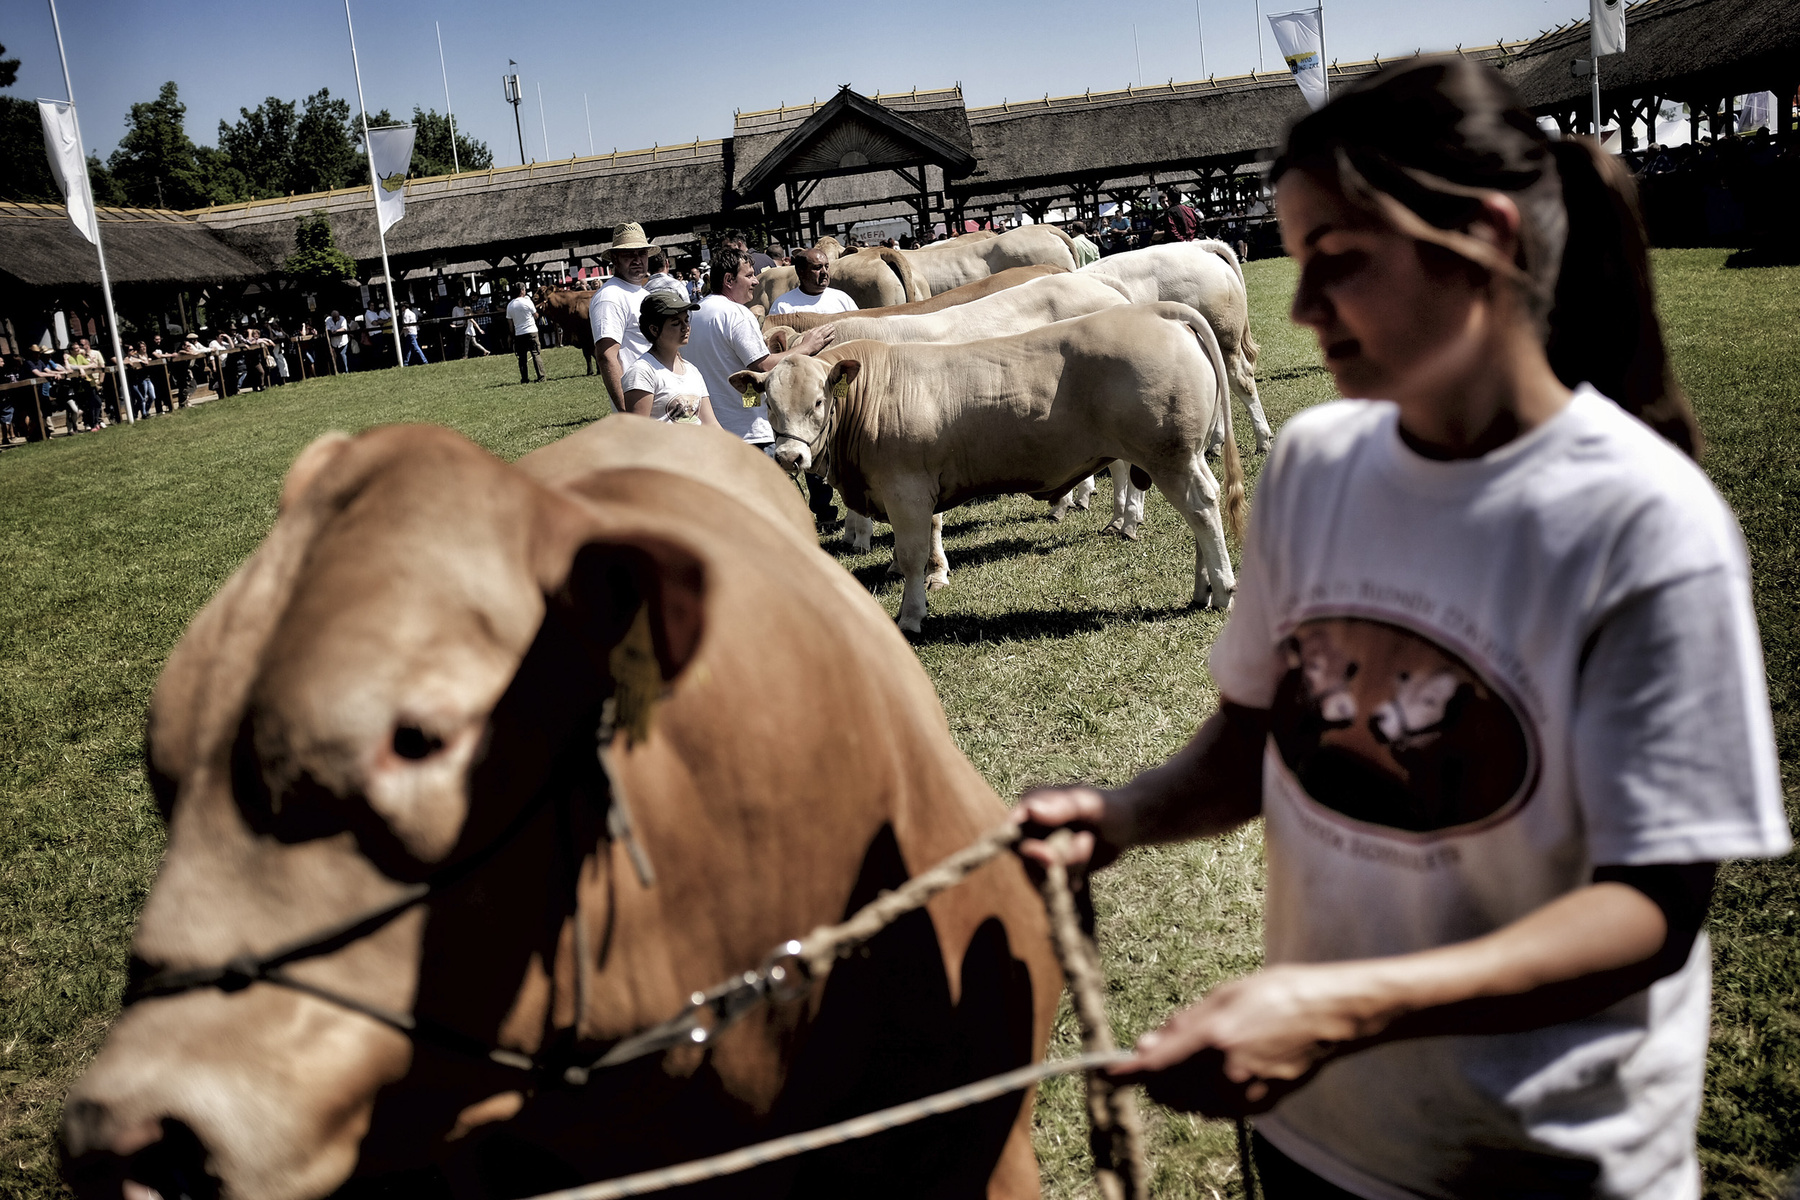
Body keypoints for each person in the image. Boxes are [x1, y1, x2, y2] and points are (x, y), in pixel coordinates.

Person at [1015, 56, 1789, 1199]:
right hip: (1315, 1133)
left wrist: (1339, 1008)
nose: (1301, 304)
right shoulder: (1315, 468)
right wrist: (1121, 815)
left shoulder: (1642, 523)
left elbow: (1651, 912)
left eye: (1338, 258)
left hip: (1536, 1161)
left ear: (1478, 240)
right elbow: (1255, 744)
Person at [686, 246, 838, 521]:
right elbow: (764, 365)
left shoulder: (693, 313)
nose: (756, 281)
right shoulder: (735, 314)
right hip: (750, 428)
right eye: (749, 275)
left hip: (710, 427)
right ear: (729, 280)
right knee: (768, 506)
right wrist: (807, 346)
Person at [620, 290, 718, 427]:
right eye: (676, 323)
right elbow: (637, 432)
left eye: (686, 320)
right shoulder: (642, 372)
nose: (685, 328)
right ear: (654, 329)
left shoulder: (692, 370)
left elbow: (711, 424)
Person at [591, 221, 655, 412]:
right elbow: (606, 356)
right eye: (629, 254)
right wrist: (626, 412)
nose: (637, 259)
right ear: (614, 258)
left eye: (642, 253)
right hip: (638, 402)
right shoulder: (610, 297)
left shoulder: (642, 294)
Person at [769, 248, 859, 315]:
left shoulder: (842, 299)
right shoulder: (782, 306)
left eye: (826, 267)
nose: (824, 272)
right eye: (817, 268)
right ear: (800, 271)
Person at [504, 282, 546, 384]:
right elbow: (536, 315)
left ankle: (524, 378)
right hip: (531, 330)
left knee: (522, 357)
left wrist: (512, 335)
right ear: (522, 291)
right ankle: (541, 376)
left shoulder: (510, 305)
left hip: (519, 333)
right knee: (535, 353)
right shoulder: (527, 302)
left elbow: (510, 323)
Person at [325, 309, 350, 374]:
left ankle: (346, 370)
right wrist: (331, 332)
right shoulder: (328, 320)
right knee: (337, 356)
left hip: (343, 341)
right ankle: (339, 371)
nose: (338, 318)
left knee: (342, 354)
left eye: (338, 316)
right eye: (336, 317)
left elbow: (344, 328)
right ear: (333, 317)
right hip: (334, 343)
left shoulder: (342, 319)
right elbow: (328, 329)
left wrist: (336, 331)